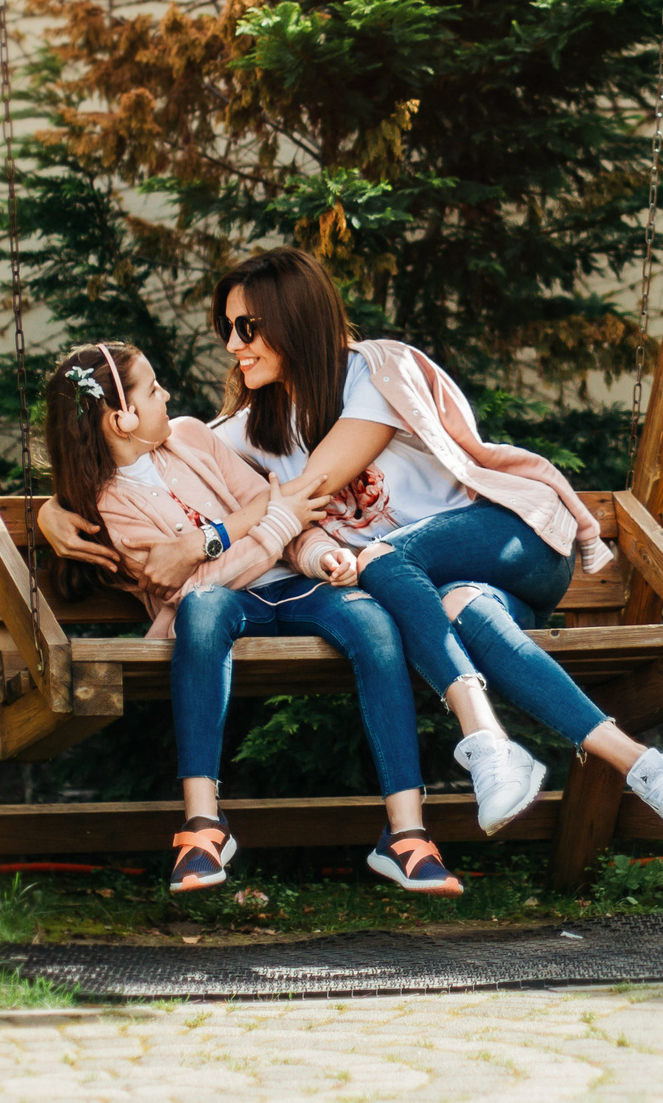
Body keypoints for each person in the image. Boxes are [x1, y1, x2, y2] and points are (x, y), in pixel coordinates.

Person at [42, 250, 663, 849]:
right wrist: (54, 508)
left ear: (292, 320)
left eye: (246, 327)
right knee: (466, 615)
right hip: (435, 590)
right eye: (226, 328)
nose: (232, 344)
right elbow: (139, 447)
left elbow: (309, 485)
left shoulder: (375, 370)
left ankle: (485, 741)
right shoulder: (252, 428)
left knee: (379, 560)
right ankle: (647, 770)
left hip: (514, 537)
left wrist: (217, 534)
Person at [40, 339, 467, 896]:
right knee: (201, 609)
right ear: (122, 419)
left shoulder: (192, 437)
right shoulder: (107, 505)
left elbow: (275, 501)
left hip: (295, 586)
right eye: (152, 389)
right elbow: (192, 584)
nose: (166, 395)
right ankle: (202, 827)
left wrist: (322, 555)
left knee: (374, 624)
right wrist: (274, 524)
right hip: (221, 605)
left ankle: (406, 834)